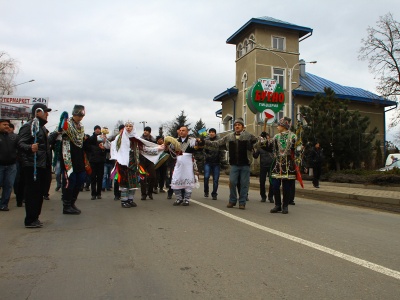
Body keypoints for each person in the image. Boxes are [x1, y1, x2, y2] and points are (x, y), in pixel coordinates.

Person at [201, 118, 257, 210]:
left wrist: (258, 143)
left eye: (239, 125)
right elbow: (217, 143)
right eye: (235, 125)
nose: (237, 126)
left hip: (245, 164)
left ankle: (242, 202)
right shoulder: (229, 137)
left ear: (243, 127)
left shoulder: (248, 136)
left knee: (244, 184)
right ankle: (232, 200)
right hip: (234, 164)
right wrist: (205, 142)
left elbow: (258, 144)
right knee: (232, 182)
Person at [18, 103, 54, 227]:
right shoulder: (28, 126)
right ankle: (30, 219)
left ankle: (35, 217)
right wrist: (29, 147)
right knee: (33, 193)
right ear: (38, 112)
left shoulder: (42, 128)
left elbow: (45, 145)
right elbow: (20, 143)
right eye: (45, 111)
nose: (47, 114)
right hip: (32, 165)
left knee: (40, 193)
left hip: (42, 164)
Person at [112, 121, 163, 208]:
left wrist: (158, 148)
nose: (128, 128)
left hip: (134, 164)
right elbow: (112, 146)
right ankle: (124, 201)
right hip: (123, 164)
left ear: (133, 128)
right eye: (126, 126)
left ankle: (130, 199)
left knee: (133, 183)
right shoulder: (119, 138)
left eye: (130, 126)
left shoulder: (136, 139)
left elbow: (144, 149)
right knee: (124, 183)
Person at [58, 105, 89, 215]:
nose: (80, 117)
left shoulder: (81, 127)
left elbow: (81, 142)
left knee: (80, 180)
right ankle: (66, 205)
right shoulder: (67, 125)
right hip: (68, 158)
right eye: (79, 115)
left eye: (82, 116)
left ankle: (72, 202)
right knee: (70, 182)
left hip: (79, 157)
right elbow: (60, 131)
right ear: (74, 114)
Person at [165, 126, 200, 206]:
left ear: (187, 132)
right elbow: (169, 151)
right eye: (180, 130)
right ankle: (179, 199)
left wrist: (200, 143)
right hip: (178, 164)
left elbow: (198, 149)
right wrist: (166, 145)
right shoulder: (175, 141)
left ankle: (187, 199)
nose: (181, 132)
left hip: (188, 164)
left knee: (188, 181)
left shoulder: (192, 140)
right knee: (175, 180)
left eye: (183, 130)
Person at [270, 117, 298, 214]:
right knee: (275, 185)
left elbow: (297, 150)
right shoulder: (276, 137)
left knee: (286, 187)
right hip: (278, 164)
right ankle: (277, 205)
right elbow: (272, 149)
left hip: (288, 164)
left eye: (279, 125)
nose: (277, 127)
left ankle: (285, 206)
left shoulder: (293, 137)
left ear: (284, 126)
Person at [0, 119, 19, 211]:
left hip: (11, 165)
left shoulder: (14, 137)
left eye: (8, 125)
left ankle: (4, 204)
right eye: (4, 124)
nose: (7, 126)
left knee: (8, 185)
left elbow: (21, 147)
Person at [88, 125, 109, 200]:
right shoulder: (91, 138)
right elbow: (87, 148)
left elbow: (107, 148)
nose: (97, 130)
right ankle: (93, 194)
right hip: (93, 160)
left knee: (100, 177)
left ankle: (99, 193)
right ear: (94, 130)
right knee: (93, 177)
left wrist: (104, 145)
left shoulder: (103, 138)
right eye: (96, 129)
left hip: (101, 160)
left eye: (98, 129)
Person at [253, 132, 274, 203]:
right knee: (262, 182)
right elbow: (255, 156)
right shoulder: (260, 148)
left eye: (268, 137)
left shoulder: (272, 146)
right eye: (265, 137)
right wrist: (253, 150)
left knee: (272, 182)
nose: (267, 138)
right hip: (263, 166)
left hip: (271, 166)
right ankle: (263, 196)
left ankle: (270, 196)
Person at [203, 128, 224, 200]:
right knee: (206, 177)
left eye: (213, 132)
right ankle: (206, 191)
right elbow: (203, 151)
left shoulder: (219, 141)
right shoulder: (206, 141)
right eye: (210, 132)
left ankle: (214, 193)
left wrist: (222, 160)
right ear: (208, 133)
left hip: (216, 163)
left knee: (215, 179)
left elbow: (222, 151)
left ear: (215, 133)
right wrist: (206, 156)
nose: (211, 133)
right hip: (208, 162)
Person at [139, 126, 157, 200]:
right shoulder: (140, 139)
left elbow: (156, 148)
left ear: (150, 132)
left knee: (153, 176)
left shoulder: (153, 140)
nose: (145, 132)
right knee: (142, 177)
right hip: (142, 160)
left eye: (147, 131)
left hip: (150, 161)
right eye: (144, 130)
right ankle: (143, 194)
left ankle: (150, 192)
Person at [101, 127, 113, 192]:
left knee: (110, 175)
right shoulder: (101, 141)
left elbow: (110, 147)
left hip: (110, 161)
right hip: (105, 161)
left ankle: (108, 186)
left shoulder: (110, 142)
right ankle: (103, 186)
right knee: (105, 175)